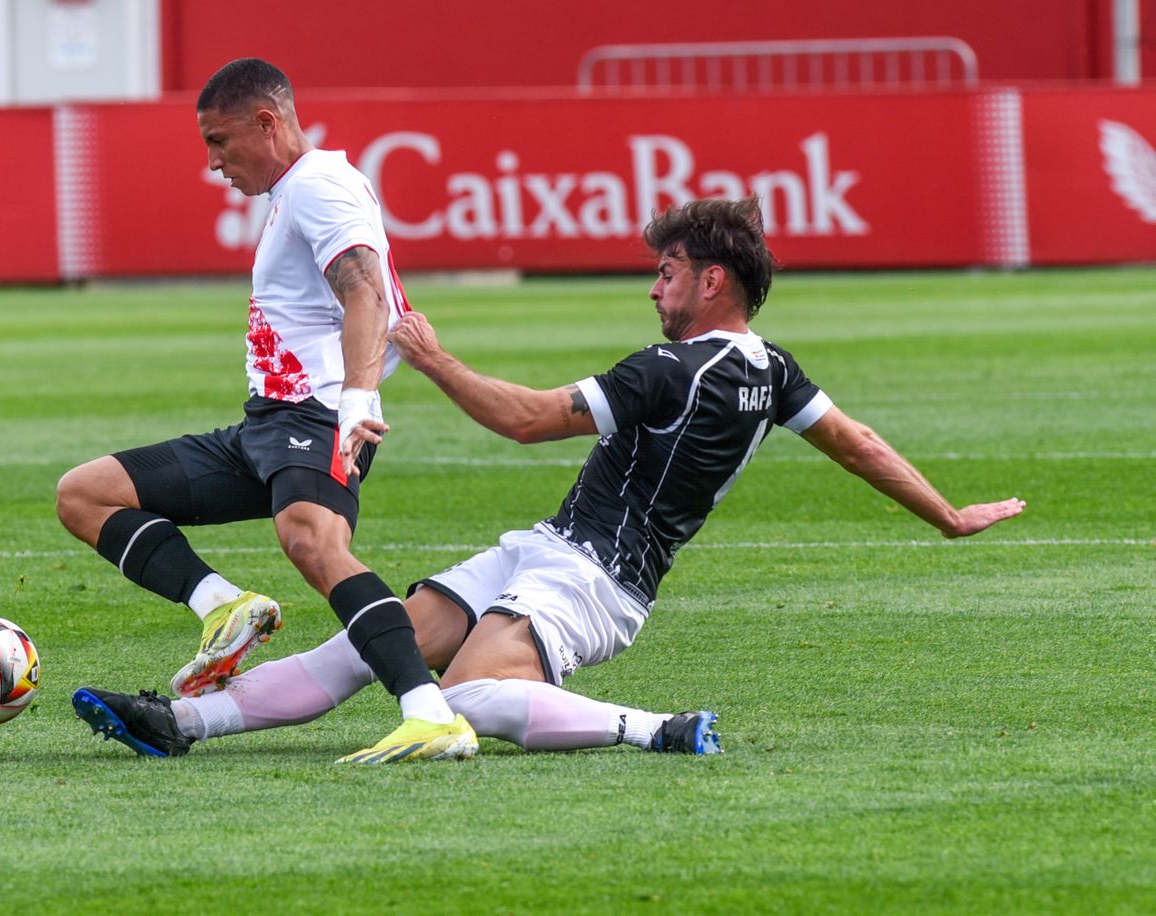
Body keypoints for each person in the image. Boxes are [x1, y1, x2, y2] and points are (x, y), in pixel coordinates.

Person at [70, 197, 1028, 762]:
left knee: (470, 702)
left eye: (667, 271)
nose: (653, 288)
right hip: (549, 548)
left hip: (595, 581)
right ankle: (181, 721)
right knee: (386, 646)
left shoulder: (673, 369)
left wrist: (431, 357)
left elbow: (527, 421)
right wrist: (945, 515)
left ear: (713, 284)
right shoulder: (773, 368)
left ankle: (660, 728)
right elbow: (858, 443)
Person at [56, 58, 476, 763]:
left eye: (220, 142)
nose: (214, 163)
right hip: (268, 425)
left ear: (267, 122)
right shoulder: (296, 191)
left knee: (313, 543)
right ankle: (224, 605)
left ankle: (429, 713)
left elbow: (367, 294)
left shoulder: (318, 186)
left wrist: (355, 402)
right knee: (85, 494)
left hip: (314, 417)